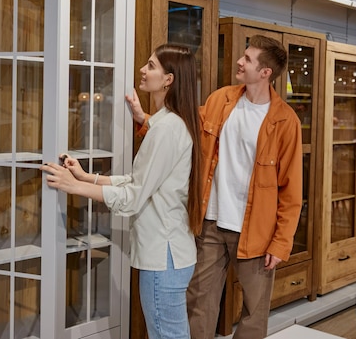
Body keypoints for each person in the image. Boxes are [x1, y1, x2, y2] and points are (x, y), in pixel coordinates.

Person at [127, 34, 303, 339]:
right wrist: (144, 121)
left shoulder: (286, 122)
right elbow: (182, 131)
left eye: (247, 59)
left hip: (257, 234)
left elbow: (291, 192)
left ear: (265, 73)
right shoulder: (221, 99)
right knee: (198, 304)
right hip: (210, 223)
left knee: (254, 312)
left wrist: (281, 243)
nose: (239, 61)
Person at [41, 44, 202, 339]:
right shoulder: (167, 124)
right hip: (170, 254)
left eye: (151, 66)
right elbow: (138, 181)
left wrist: (73, 186)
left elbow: (134, 196)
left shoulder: (166, 129)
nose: (143, 69)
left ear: (169, 79)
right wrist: (87, 178)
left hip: (163, 256)